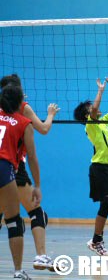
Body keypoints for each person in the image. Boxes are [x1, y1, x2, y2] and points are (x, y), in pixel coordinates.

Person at [0, 74, 60, 271]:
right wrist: (51, 114)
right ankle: (41, 256)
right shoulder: (23, 108)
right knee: (36, 212)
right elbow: (43, 129)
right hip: (13, 167)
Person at [74, 77, 108, 256]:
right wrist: (100, 90)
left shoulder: (103, 122)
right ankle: (96, 241)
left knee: (107, 204)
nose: (97, 108)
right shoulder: (90, 125)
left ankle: (96, 240)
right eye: (92, 108)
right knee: (106, 204)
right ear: (87, 115)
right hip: (99, 168)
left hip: (107, 167)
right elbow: (93, 110)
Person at [0, 84, 41, 279]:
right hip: (3, 167)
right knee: (13, 221)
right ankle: (18, 271)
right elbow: (31, 157)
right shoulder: (24, 123)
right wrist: (38, 186)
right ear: (20, 103)